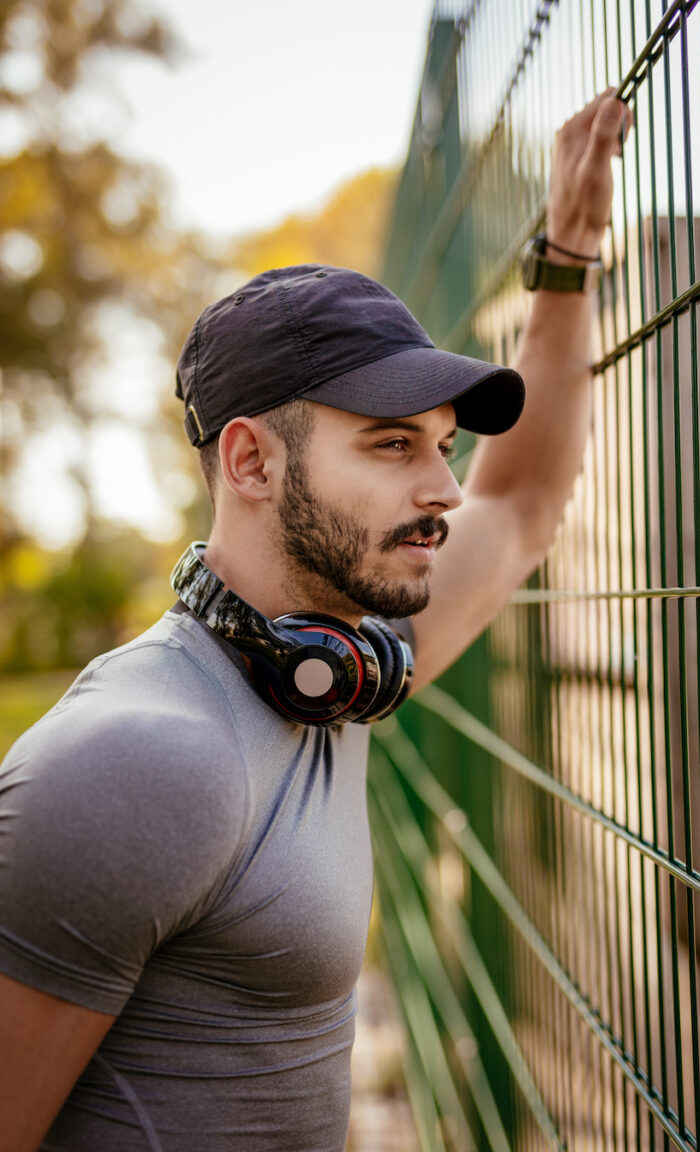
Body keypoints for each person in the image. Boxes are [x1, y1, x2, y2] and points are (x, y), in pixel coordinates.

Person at [0, 90, 629, 1151]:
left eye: (442, 444)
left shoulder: (338, 671)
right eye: (392, 445)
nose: (442, 487)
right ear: (251, 460)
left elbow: (519, 507)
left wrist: (565, 258)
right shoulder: (142, 764)